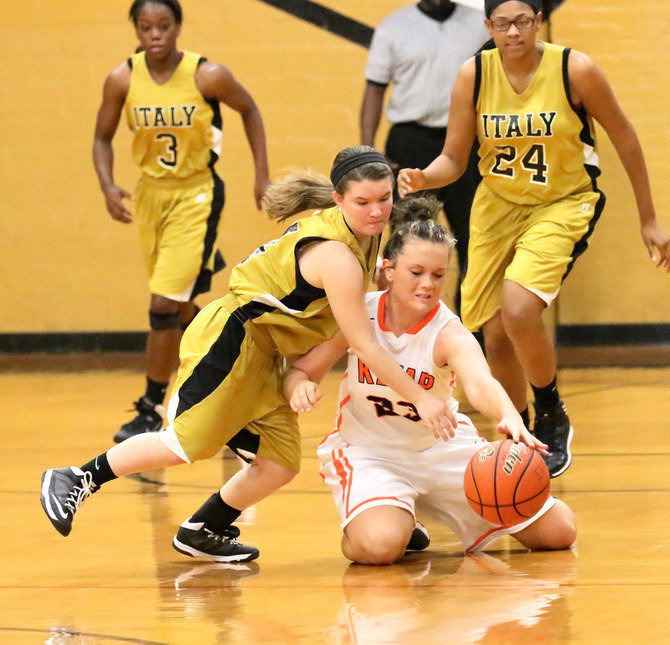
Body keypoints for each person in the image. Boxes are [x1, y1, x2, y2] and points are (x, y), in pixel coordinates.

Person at [41, 147, 457, 562]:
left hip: (266, 352)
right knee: (183, 443)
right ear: (339, 200)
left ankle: (204, 528)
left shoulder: (362, 233)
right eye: (363, 202)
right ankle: (76, 478)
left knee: (280, 463)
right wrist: (420, 397)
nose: (376, 211)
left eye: (384, 199)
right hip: (231, 341)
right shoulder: (337, 256)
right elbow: (363, 343)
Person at [398, 0, 670, 477]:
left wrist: (649, 219)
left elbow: (625, 138)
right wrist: (425, 177)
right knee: (493, 332)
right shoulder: (473, 75)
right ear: (488, 26)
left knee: (520, 309)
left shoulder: (574, 69)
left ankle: (550, 410)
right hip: (497, 205)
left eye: (523, 21)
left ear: (539, 21)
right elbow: (455, 159)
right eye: (502, 24)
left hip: (562, 202)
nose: (513, 32)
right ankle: (519, 432)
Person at [284, 201, 576, 565]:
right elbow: (300, 371)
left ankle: (405, 511)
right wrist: (300, 386)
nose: (427, 284)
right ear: (389, 270)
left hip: (441, 449)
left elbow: (479, 382)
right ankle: (392, 516)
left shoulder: (448, 332)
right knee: (378, 547)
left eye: (438, 275)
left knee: (560, 531)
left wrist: (509, 414)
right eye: (416, 272)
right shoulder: (358, 315)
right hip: (371, 453)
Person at [93, 0, 270, 443]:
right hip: (151, 197)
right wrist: (108, 186)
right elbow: (101, 136)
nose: (155, 34)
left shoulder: (207, 75)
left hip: (197, 194)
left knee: (162, 305)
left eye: (163, 25)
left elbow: (249, 109)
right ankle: (234, 388)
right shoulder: (122, 78)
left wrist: (261, 176)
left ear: (177, 27)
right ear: (136, 30)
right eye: (146, 27)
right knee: (185, 307)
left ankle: (151, 408)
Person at [360, 0, 489, 311]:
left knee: (476, 242)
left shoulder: (480, 24)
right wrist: (367, 152)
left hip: (469, 143)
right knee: (408, 243)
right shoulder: (394, 26)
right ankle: (402, 321)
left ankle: (470, 329)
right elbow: (374, 90)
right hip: (411, 143)